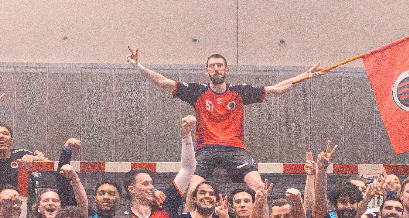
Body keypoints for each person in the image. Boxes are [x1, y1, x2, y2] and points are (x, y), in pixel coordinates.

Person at [127, 46, 317, 190]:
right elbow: (163, 82)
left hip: (235, 148)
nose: (216, 69)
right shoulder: (197, 92)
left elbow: (277, 89)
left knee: (260, 188)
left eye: (219, 66)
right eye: (212, 66)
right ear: (206, 71)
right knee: (192, 189)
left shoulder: (239, 92)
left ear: (226, 70)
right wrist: (138, 66)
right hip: (206, 149)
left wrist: (306, 75)